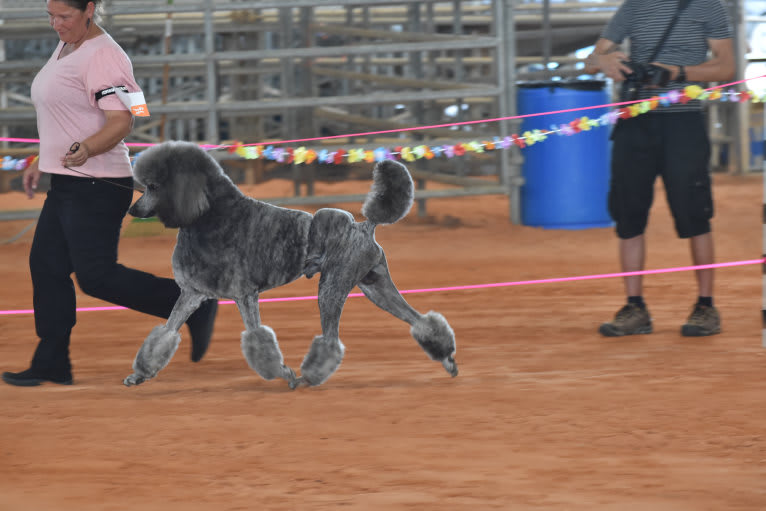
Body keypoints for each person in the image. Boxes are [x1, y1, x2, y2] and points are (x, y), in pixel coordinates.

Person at [2, 0, 218, 387]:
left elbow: (122, 120)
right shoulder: (69, 45)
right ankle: (52, 361)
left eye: (64, 16)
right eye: (50, 15)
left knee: (96, 277)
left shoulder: (105, 55)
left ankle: (193, 304)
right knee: (47, 267)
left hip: (98, 184)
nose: (56, 24)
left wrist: (87, 149)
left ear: (89, 9)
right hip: (69, 181)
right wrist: (43, 158)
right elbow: (66, 114)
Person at [584, 0, 735, 337]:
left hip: (684, 123)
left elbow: (727, 68)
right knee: (629, 214)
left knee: (695, 213)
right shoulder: (635, 6)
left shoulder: (707, 6)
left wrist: (676, 73)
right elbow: (591, 61)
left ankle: (706, 306)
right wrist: (602, 61)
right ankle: (634, 306)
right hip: (634, 122)